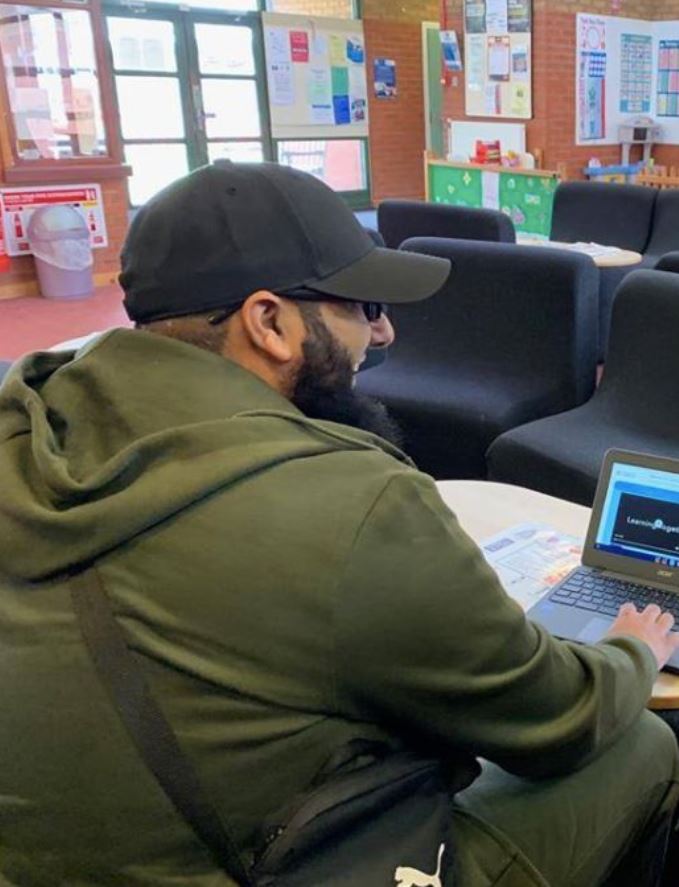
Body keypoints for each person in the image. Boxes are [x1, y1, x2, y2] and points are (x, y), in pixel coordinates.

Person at [0, 161, 678, 887]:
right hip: (273, 861)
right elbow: (555, 719)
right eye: (359, 305)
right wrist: (630, 652)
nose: (383, 330)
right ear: (269, 322)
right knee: (639, 741)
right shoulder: (353, 499)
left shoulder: (26, 423)